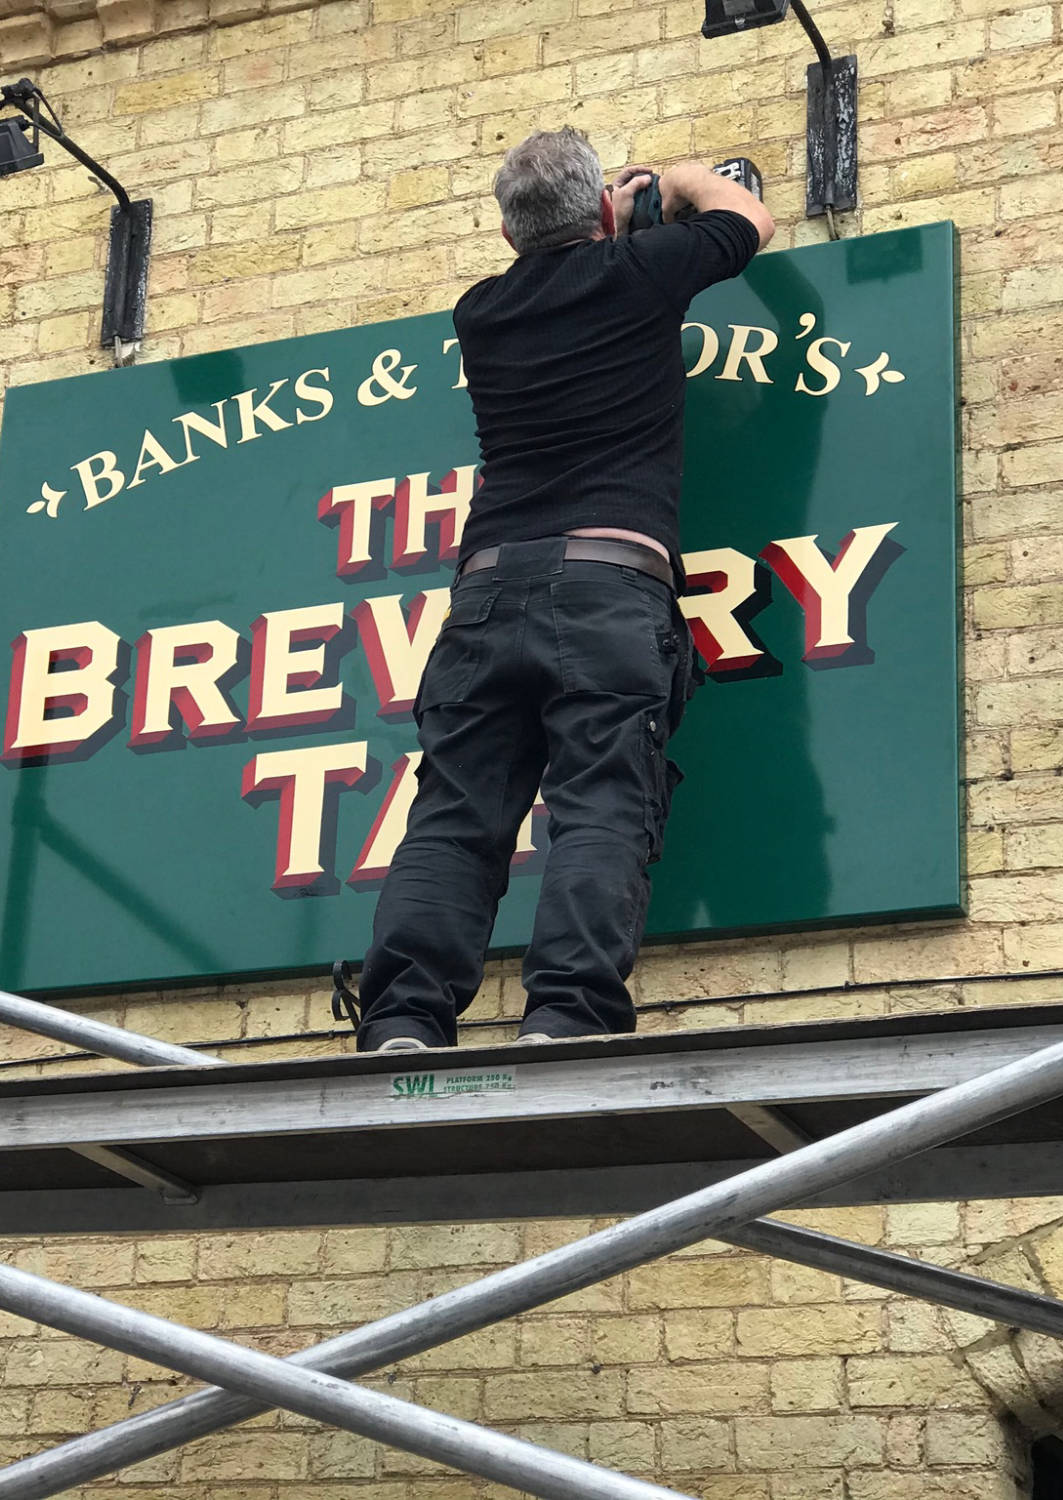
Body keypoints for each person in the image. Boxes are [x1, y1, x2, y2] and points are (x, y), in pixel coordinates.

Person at [353, 128, 776, 1053]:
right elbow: (747, 217)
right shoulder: (638, 273)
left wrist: (606, 223)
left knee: (456, 815)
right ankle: (566, 1018)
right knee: (600, 801)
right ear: (598, 212)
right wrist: (667, 185)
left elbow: (564, 266)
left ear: (509, 237)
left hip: (487, 593)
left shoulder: (482, 312)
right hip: (609, 587)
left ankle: (402, 1021)